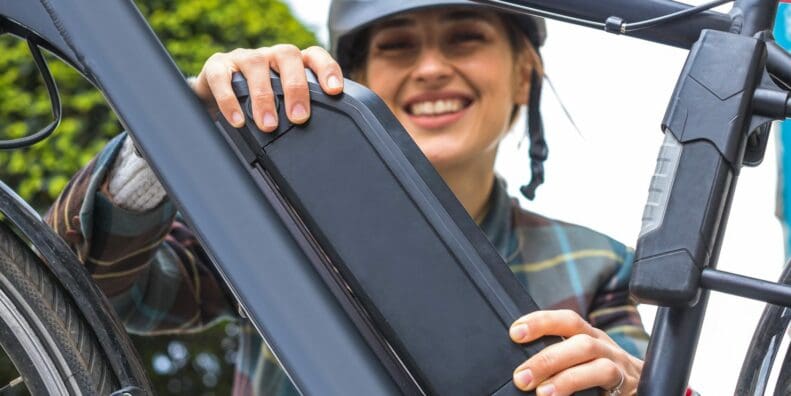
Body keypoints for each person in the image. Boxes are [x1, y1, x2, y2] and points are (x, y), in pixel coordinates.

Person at [47, 1, 647, 395]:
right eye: (397, 46)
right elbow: (83, 287)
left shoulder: (598, 265)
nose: (432, 68)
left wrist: (629, 384)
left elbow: (641, 376)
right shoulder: (275, 219)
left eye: (466, 39)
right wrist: (175, 133)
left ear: (524, 73)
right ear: (353, 76)